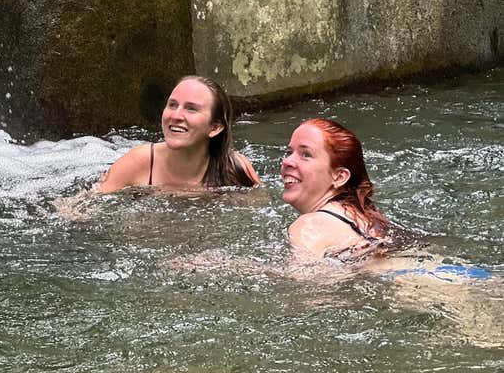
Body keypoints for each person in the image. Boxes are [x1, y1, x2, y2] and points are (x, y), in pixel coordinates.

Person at [96, 76, 260, 193]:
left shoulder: (235, 169)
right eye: (172, 105)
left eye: (191, 108)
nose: (175, 116)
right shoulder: (138, 162)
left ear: (215, 128)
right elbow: (89, 203)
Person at [281, 118, 390, 262]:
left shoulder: (310, 225)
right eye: (289, 152)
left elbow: (300, 280)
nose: (286, 161)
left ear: (339, 177)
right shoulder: (368, 218)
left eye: (306, 154)